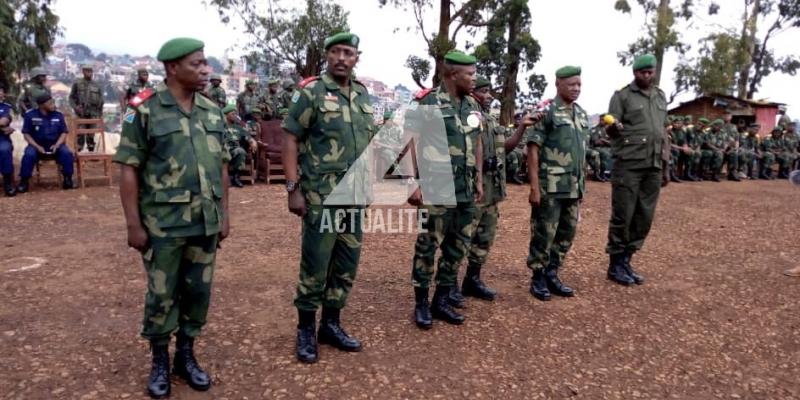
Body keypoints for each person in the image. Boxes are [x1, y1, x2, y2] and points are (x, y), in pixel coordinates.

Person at [113, 37, 229, 398]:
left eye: (205, 62)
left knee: (198, 292)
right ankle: (160, 360)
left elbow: (222, 165)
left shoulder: (212, 111)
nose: (205, 69)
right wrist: (133, 223)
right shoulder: (143, 110)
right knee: (162, 294)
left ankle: (187, 356)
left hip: (205, 221)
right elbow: (129, 169)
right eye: (196, 63)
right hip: (163, 224)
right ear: (172, 68)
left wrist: (225, 214)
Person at [282, 32, 374, 364]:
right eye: (335, 51)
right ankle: (306, 328)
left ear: (356, 57)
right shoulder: (311, 92)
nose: (341, 58)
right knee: (315, 265)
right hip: (321, 196)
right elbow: (290, 139)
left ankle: (331, 324)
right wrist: (293, 190)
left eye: (347, 52)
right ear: (327, 55)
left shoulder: (363, 95)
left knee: (346, 264)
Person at [408, 50, 483, 329]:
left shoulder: (473, 106)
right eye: (470, 74)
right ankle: (421, 303)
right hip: (435, 188)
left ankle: (441, 299)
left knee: (457, 246)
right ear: (453, 75)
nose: (474, 79)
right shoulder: (428, 102)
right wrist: (411, 182)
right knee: (428, 245)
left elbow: (476, 142)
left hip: (464, 189)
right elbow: (409, 141)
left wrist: (477, 179)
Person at [454, 76, 538, 304]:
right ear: (472, 93)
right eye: (484, 91)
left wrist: (522, 126)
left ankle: (472, 280)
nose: (489, 96)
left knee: (484, 238)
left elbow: (506, 147)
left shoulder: (490, 120)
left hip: (492, 190)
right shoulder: (468, 118)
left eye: (489, 91)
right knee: (461, 239)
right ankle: (449, 285)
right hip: (474, 189)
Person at [604, 54, 668, 286]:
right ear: (635, 73)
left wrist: (666, 166)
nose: (647, 75)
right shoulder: (622, 97)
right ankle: (615, 264)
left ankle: (627, 260)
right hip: (628, 165)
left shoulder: (660, 96)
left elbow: (662, 132)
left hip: (653, 165)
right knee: (624, 215)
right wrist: (612, 127)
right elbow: (610, 130)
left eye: (650, 72)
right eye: (643, 72)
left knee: (644, 217)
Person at [525, 66, 588, 301]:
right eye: (571, 84)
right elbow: (532, 149)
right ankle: (538, 277)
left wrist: (583, 186)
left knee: (566, 233)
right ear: (558, 84)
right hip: (550, 186)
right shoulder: (547, 111)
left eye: (579, 84)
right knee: (544, 233)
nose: (576, 89)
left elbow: (582, 152)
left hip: (573, 186)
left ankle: (552, 273)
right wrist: (534, 187)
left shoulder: (581, 114)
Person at [17, 94, 75, 193]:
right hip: (36, 146)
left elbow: (64, 132)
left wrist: (57, 144)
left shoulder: (58, 115)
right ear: (41, 105)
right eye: (50, 103)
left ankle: (68, 179)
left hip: (55, 146)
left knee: (67, 153)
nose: (53, 105)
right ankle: (24, 181)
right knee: (28, 155)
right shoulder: (30, 115)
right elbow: (26, 134)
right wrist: (37, 146)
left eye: (53, 102)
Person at [69, 64, 105, 152]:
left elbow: (101, 101)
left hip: (93, 113)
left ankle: (91, 151)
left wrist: (100, 114)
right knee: (80, 133)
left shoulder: (97, 85)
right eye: (87, 71)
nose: (90, 73)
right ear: (83, 72)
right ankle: (78, 152)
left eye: (91, 71)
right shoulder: (77, 84)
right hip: (81, 112)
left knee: (91, 133)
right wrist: (76, 107)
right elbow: (71, 98)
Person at [222, 104, 256, 187]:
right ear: (226, 115)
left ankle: (235, 177)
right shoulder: (220, 126)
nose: (235, 116)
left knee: (240, 151)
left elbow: (247, 136)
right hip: (222, 149)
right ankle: (224, 178)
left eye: (236, 114)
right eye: (233, 114)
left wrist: (252, 141)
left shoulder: (239, 128)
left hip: (234, 150)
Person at [0, 88, 15, 196]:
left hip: (2, 139)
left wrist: (3, 127)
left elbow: (3, 122)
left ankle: (8, 183)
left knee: (5, 150)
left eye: (1, 90)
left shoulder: (6, 107)